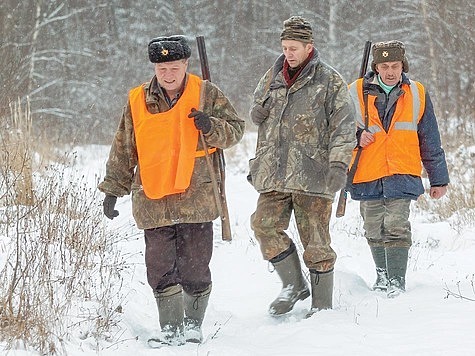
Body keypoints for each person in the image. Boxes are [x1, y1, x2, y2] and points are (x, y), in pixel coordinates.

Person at [98, 35, 244, 345]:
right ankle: (171, 329)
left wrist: (211, 126)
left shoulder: (206, 93)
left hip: (197, 197)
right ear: (154, 67)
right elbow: (125, 147)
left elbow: (236, 130)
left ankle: (192, 326)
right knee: (160, 267)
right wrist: (113, 188)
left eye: (174, 67)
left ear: (186, 65)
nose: (168, 74)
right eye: (162, 68)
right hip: (153, 197)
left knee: (195, 265)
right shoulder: (138, 99)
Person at [248, 16, 356, 317]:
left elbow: (344, 127)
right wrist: (257, 112)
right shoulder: (272, 76)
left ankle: (322, 307)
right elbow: (259, 109)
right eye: (285, 47)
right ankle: (294, 285)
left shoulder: (330, 81)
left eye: (294, 47)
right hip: (275, 173)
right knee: (263, 225)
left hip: (313, 173)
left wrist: (338, 164)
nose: (288, 53)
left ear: (310, 47)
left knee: (317, 242)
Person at [347, 40, 449, 298]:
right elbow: (335, 129)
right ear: (376, 67)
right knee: (373, 226)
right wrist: (357, 135)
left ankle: (396, 281)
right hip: (366, 171)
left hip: (402, 170)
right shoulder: (355, 91)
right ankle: (382, 277)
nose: (390, 71)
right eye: (384, 66)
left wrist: (438, 179)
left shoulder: (417, 92)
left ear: (403, 65)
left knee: (395, 225)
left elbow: (429, 137)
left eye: (395, 65)